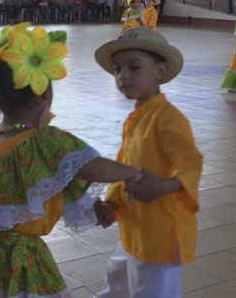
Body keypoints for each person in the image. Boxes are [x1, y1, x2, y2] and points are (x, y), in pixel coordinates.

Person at [0, 22, 155, 298]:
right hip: (14, 258)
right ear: (45, 93)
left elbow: (38, 186)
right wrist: (133, 174)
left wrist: (92, 207)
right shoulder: (43, 142)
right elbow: (89, 165)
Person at [93, 27, 203, 298]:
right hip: (134, 230)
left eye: (134, 67)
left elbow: (190, 161)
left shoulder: (168, 118)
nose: (124, 76)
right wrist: (113, 202)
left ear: (160, 72)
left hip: (158, 237)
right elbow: (126, 163)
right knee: (116, 284)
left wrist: (165, 186)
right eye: (118, 69)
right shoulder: (138, 115)